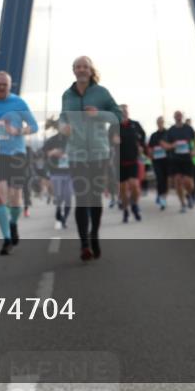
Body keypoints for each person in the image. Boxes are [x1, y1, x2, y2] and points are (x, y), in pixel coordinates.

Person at [59, 56, 122, 261]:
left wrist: (99, 114)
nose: (81, 69)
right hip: (76, 152)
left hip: (99, 153)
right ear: (73, 70)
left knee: (94, 198)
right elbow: (62, 117)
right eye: (78, 66)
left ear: (90, 69)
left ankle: (94, 234)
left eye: (85, 66)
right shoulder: (67, 95)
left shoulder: (101, 93)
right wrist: (62, 126)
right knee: (82, 199)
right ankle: (84, 244)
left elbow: (118, 115)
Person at [0, 71, 38, 255]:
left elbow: (34, 126)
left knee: (15, 198)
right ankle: (6, 239)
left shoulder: (19, 103)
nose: (1, 88)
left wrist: (17, 131)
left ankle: (13, 223)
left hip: (16, 154)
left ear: (10, 85)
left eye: (5, 85)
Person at [115, 104, 147, 223]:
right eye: (121, 111)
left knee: (135, 186)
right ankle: (125, 211)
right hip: (119, 162)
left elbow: (142, 136)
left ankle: (134, 205)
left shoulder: (135, 124)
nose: (124, 113)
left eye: (125, 111)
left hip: (133, 160)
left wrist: (141, 146)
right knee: (123, 189)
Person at [163, 111, 195, 212]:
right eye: (176, 115)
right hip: (175, 159)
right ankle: (182, 204)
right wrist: (172, 146)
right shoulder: (171, 130)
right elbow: (165, 145)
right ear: (174, 117)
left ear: (182, 116)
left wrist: (194, 150)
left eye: (180, 115)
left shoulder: (188, 128)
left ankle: (190, 194)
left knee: (188, 181)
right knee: (178, 181)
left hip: (187, 158)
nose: (178, 117)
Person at [43, 117, 72, 229]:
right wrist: (52, 152)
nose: (66, 127)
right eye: (64, 125)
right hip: (56, 172)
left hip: (71, 173)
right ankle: (58, 212)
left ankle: (64, 219)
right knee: (59, 197)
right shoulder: (52, 140)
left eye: (68, 125)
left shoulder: (74, 139)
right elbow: (43, 153)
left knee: (68, 197)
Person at [147, 116, 171, 209]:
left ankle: (162, 195)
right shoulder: (153, 135)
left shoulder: (168, 133)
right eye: (158, 122)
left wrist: (166, 146)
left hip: (167, 160)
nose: (160, 123)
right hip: (157, 161)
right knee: (160, 178)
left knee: (166, 179)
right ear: (157, 123)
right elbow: (149, 148)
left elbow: (172, 145)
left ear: (163, 122)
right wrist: (150, 153)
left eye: (161, 122)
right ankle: (162, 198)